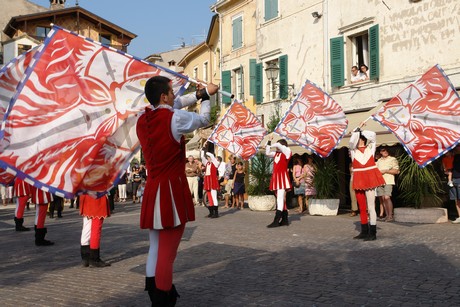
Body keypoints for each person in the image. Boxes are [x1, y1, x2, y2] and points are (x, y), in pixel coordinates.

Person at [136, 75, 218, 306]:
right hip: (170, 190)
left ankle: (154, 294)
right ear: (164, 96)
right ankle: (162, 300)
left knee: (155, 246)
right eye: (172, 92)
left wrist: (199, 93)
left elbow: (173, 105)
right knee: (167, 253)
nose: (175, 96)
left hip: (152, 189)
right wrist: (208, 96)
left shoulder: (142, 118)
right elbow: (203, 119)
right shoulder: (175, 118)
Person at [349, 125, 385, 240]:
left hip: (369, 179)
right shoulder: (353, 150)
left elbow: (373, 135)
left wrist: (361, 131)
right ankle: (364, 231)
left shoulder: (371, 148)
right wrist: (356, 131)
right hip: (359, 179)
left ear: (363, 138)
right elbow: (351, 142)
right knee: (362, 207)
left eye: (359, 137)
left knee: (371, 206)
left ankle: (372, 233)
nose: (357, 139)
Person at [265, 135, 292, 228]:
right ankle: (285, 219)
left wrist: (273, 144)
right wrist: (269, 141)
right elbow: (267, 153)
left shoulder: (287, 152)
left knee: (280, 199)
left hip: (282, 178)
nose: (277, 147)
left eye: (278, 145)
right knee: (280, 198)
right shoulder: (276, 153)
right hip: (276, 178)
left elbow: (281, 147)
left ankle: (276, 220)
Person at [79, 194, 111, 267]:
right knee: (96, 228)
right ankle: (94, 258)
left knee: (86, 227)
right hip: (97, 196)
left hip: (86, 196)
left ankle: (85, 257)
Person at [376, 147, 400, 222]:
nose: (385, 151)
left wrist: (386, 171)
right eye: (383, 150)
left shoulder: (392, 159)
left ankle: (390, 215)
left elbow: (396, 171)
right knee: (382, 199)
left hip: (388, 181)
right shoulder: (378, 161)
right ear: (380, 152)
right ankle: (387, 215)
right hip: (380, 182)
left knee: (387, 197)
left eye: (386, 150)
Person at [201, 146, 220, 218]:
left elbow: (212, 156)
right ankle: (211, 212)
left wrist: (208, 152)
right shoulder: (207, 163)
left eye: (209, 157)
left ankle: (216, 213)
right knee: (209, 197)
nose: (208, 158)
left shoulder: (215, 163)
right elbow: (202, 157)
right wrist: (203, 149)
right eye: (207, 157)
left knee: (214, 197)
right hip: (207, 182)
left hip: (212, 182)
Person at [449, 146, 460, 224]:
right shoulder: (454, 157)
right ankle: (459, 216)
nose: (456, 148)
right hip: (453, 180)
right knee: (456, 200)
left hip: (459, 179)